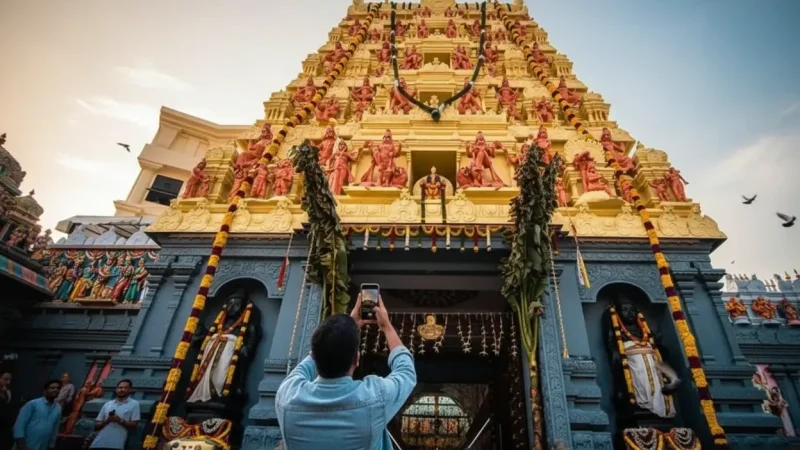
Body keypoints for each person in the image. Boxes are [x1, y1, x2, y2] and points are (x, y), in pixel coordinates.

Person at [276, 294, 416, 450]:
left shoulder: (287, 396)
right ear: (357, 360)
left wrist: (344, 329)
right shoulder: (374, 397)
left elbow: (311, 359)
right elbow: (406, 371)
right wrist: (387, 327)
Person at [89, 380, 140, 450]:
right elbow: (96, 425)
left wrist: (120, 420)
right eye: (120, 387)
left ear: (130, 390)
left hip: (117, 445)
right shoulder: (108, 404)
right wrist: (107, 420)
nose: (122, 390)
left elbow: (135, 424)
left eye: (125, 388)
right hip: (98, 443)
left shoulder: (134, 404)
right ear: (116, 389)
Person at [13, 379, 62, 450]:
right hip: (26, 445)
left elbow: (55, 428)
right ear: (45, 390)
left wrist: (51, 445)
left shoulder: (58, 408)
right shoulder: (33, 404)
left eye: (58, 388)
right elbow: (19, 425)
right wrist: (21, 445)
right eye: (52, 388)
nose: (56, 390)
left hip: (43, 446)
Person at [0, 372, 15, 449]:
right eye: (5, 379)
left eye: (10, 380)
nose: (8, 382)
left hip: (5, 426)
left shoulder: (8, 392)